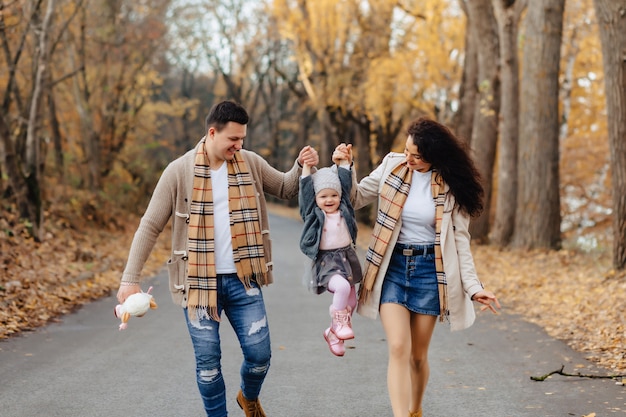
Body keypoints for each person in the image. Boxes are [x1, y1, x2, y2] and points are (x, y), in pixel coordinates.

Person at [116, 100, 319, 417]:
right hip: (198, 286)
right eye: (233, 139)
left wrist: (302, 165)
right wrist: (130, 280)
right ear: (212, 133)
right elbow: (150, 225)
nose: (239, 146)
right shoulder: (178, 171)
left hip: (244, 280)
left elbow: (285, 186)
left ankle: (248, 397)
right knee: (208, 364)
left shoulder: (249, 162)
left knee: (260, 355)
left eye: (242, 139)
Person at [333, 117, 500, 417]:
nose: (408, 158)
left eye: (417, 156)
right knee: (398, 346)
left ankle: (415, 409)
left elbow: (460, 243)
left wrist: (474, 289)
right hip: (392, 267)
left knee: (418, 357)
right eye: (407, 150)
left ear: (435, 157)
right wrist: (346, 167)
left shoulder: (452, 186)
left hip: (429, 272)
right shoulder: (392, 166)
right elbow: (355, 198)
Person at [298, 161, 363, 357]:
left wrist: (344, 162)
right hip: (326, 263)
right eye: (323, 196)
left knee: (351, 302)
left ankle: (333, 333)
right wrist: (307, 169)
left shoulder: (344, 208)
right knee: (342, 288)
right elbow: (306, 193)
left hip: (346, 258)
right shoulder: (313, 213)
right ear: (316, 198)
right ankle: (338, 326)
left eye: (333, 195)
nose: (329, 200)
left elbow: (344, 183)